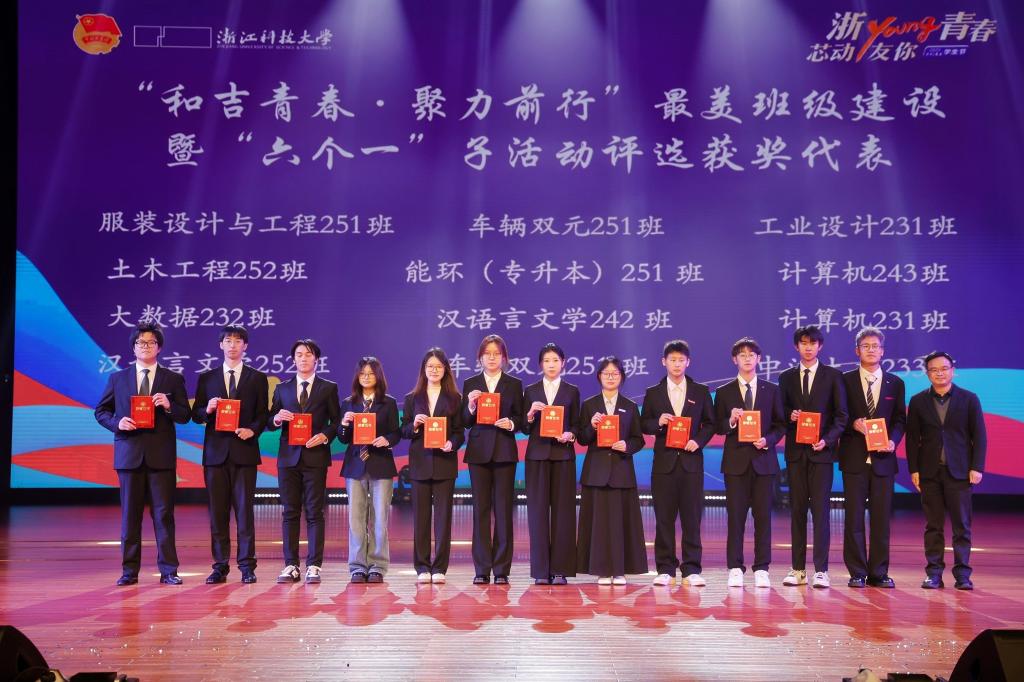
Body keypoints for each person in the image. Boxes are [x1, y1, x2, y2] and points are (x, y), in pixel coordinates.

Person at [94, 322, 190, 585]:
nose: (145, 346)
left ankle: (169, 571)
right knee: (130, 516)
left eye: (151, 342)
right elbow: (101, 411)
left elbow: (185, 415)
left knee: (164, 515)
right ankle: (129, 572)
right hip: (129, 455)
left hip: (161, 457)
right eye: (140, 343)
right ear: (133, 347)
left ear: (159, 347)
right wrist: (118, 423)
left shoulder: (172, 379)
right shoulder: (118, 378)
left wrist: (169, 405)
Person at [192, 325, 269, 584]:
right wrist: (207, 409)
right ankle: (220, 565)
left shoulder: (257, 378)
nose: (233, 345)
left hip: (244, 452)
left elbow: (263, 414)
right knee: (218, 513)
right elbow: (196, 414)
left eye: (238, 341)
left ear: (245, 346)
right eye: (228, 340)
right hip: (215, 455)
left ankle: (247, 566)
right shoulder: (207, 378)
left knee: (245, 512)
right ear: (221, 345)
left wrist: (253, 430)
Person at [906, 351, 987, 591]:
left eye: (944, 368)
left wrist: (976, 467)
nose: (939, 373)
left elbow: (979, 436)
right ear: (927, 373)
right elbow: (912, 439)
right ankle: (933, 574)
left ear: (953, 370)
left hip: (960, 472)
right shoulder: (918, 401)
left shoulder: (969, 399)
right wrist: (914, 469)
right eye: (934, 369)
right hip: (929, 473)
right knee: (933, 526)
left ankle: (963, 575)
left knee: (962, 526)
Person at [641, 340, 716, 587]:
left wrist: (698, 441)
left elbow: (711, 424)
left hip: (691, 463)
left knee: (692, 518)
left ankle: (692, 568)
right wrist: (658, 422)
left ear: (688, 362)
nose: (676, 364)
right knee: (664, 518)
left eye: (681, 360)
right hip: (664, 465)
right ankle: (665, 568)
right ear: (664, 362)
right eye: (672, 360)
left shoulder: (700, 391)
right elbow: (644, 424)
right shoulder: (653, 392)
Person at [779, 326, 848, 589]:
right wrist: (789, 415)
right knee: (797, 511)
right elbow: (779, 412)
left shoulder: (833, 376)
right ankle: (797, 569)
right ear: (796, 346)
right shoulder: (786, 377)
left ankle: (821, 570)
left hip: (822, 454)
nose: (808, 347)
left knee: (821, 512)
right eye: (803, 343)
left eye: (813, 343)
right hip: (796, 454)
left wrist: (827, 440)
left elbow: (841, 416)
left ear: (820, 346)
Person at [714, 337, 786, 589]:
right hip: (735, 464)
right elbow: (717, 426)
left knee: (763, 517)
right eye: (742, 355)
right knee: (735, 518)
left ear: (759, 359)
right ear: (734, 359)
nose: (747, 359)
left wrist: (768, 440)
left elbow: (781, 425)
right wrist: (731, 421)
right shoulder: (724, 392)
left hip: (763, 461)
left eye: (751, 355)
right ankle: (735, 567)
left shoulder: (772, 390)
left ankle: (762, 567)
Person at [267, 339, 340, 584]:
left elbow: (337, 422)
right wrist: (277, 418)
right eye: (299, 354)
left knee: (314, 512)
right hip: (288, 458)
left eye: (308, 354)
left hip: (315, 456)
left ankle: (314, 565)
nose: (303, 358)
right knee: (289, 512)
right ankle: (290, 565)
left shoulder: (328, 388)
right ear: (293, 359)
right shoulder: (283, 388)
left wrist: (325, 436)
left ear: (316, 359)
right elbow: (270, 421)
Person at [839, 327, 906, 589]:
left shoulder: (895, 383)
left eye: (875, 346)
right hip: (854, 459)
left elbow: (900, 419)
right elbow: (837, 416)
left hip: (883, 460)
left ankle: (879, 572)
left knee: (881, 519)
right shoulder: (844, 380)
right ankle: (857, 571)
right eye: (865, 346)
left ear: (882, 351)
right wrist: (852, 424)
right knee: (854, 518)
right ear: (857, 351)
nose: (870, 350)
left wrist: (893, 441)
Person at [576, 356, 648, 585]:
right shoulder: (589, 405)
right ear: (599, 376)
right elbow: (582, 438)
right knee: (598, 524)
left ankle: (619, 571)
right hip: (596, 472)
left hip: (621, 471)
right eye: (606, 373)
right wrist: (591, 426)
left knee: (620, 523)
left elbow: (638, 439)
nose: (610, 377)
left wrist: (627, 445)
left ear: (621, 377)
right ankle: (601, 570)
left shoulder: (629, 406)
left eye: (615, 374)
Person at [462, 334, 524, 585]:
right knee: (481, 510)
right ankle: (481, 568)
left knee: (503, 510)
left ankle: (501, 570)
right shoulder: (471, 383)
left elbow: (521, 419)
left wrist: (511, 423)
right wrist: (471, 406)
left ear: (504, 358)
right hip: (478, 453)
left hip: (504, 451)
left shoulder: (513, 384)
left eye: (496, 353)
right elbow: (465, 422)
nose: (491, 357)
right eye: (487, 353)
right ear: (480, 357)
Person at [401, 348, 465, 584]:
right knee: (421, 518)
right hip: (420, 463)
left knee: (443, 518)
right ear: (424, 370)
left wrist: (452, 443)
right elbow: (403, 430)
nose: (434, 370)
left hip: (445, 463)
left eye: (438, 366)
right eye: (430, 366)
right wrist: (415, 426)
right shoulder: (412, 398)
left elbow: (459, 433)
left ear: (446, 369)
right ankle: (422, 567)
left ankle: (439, 568)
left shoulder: (455, 398)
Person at [337, 357, 401, 584]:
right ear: (357, 376)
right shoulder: (348, 403)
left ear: (378, 376)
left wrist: (387, 439)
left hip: (381, 464)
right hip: (355, 466)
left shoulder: (388, 403)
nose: (366, 377)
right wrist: (344, 424)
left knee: (380, 518)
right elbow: (342, 439)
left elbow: (396, 432)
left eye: (371, 373)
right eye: (362, 373)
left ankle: (378, 565)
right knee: (356, 519)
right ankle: (357, 566)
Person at [521, 342, 580, 585]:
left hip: (563, 456)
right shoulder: (531, 391)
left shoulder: (572, 391)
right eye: (547, 361)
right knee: (537, 513)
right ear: (540, 365)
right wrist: (529, 415)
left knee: (563, 513)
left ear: (563, 363)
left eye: (555, 360)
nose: (551, 365)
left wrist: (570, 435)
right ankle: (540, 571)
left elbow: (577, 425)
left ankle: (560, 570)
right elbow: (524, 428)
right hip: (537, 457)